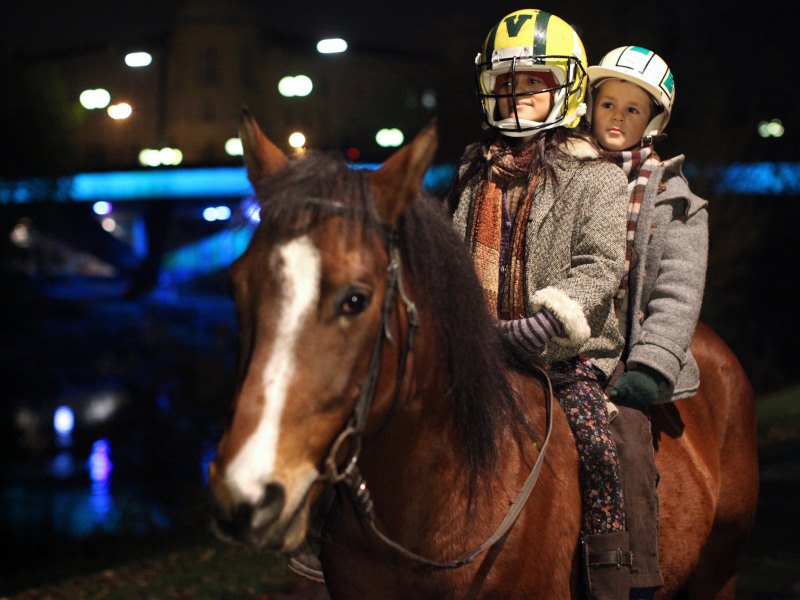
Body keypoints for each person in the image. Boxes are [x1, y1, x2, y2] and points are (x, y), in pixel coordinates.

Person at [447, 10, 632, 599]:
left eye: (534, 83)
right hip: (480, 348)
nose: (518, 96)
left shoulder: (595, 176)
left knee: (598, 444)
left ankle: (611, 564)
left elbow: (602, 263)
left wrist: (549, 320)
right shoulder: (473, 170)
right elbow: (453, 257)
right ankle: (330, 544)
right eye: (508, 84)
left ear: (567, 87)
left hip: (563, 352)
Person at [586, 46, 709, 599]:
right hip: (562, 341)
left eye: (632, 110)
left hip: (624, 356)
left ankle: (630, 574)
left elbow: (677, 291)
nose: (616, 117)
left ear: (653, 121)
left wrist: (651, 363)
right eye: (607, 103)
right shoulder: (570, 177)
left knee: (628, 440)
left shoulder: (674, 201)